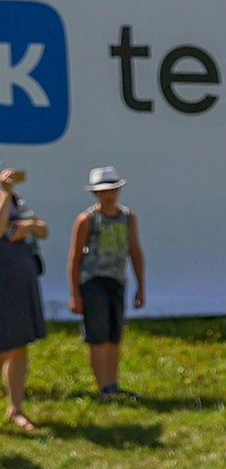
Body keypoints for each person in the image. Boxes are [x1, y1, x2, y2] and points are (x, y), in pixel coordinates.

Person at [67, 167, 145, 403]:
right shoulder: (87, 219)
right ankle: (104, 388)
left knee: (114, 336)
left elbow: (134, 250)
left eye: (112, 190)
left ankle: (113, 383)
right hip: (93, 281)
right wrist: (75, 294)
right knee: (98, 335)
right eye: (103, 191)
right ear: (96, 194)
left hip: (117, 280)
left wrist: (141, 285)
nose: (108, 195)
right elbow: (75, 257)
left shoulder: (128, 217)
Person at [0, 166, 46, 433]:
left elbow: (44, 230)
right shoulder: (6, 198)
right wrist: (5, 194)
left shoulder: (19, 201)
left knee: (19, 346)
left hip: (20, 281)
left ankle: (15, 408)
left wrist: (30, 227)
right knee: (4, 346)